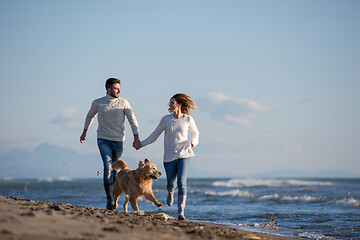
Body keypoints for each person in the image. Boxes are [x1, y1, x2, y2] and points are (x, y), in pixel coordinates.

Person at [80, 78, 141, 210]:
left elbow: (132, 119)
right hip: (103, 139)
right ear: (108, 89)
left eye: (119, 88)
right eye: (115, 88)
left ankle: (114, 194)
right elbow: (89, 116)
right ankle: (110, 199)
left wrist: (136, 137)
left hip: (119, 140)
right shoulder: (98, 103)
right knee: (108, 167)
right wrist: (84, 132)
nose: (119, 90)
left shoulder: (124, 102)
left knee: (116, 170)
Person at [137, 93, 199, 220]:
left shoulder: (188, 119)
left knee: (182, 182)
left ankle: (181, 212)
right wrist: (142, 143)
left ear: (179, 104)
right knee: (171, 183)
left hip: (185, 154)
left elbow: (195, 133)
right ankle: (170, 192)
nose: (169, 105)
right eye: (170, 103)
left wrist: (194, 142)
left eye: (172, 103)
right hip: (169, 157)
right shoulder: (166, 119)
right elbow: (155, 134)